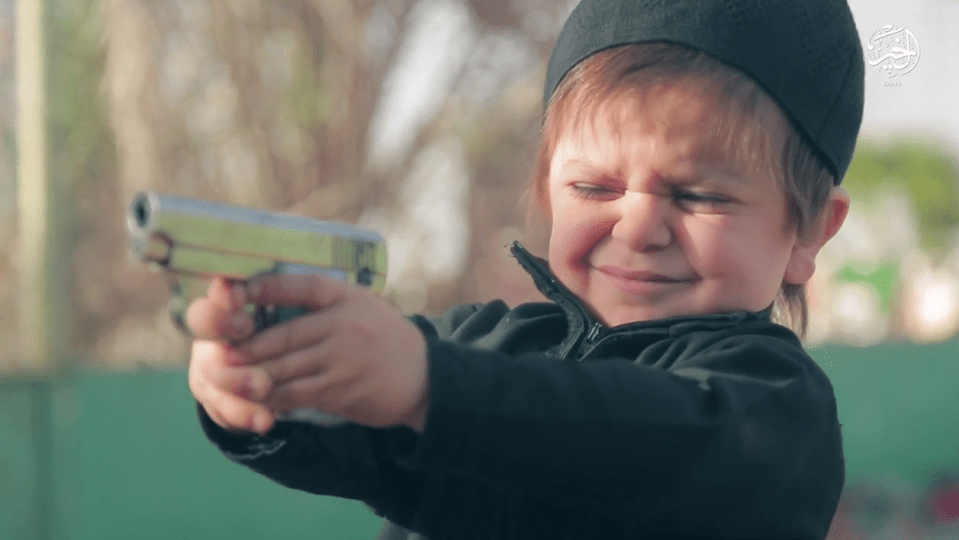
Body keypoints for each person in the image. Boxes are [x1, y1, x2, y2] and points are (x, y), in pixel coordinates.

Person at [184, 0, 864, 538]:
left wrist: (430, 389)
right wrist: (264, 388)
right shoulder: (478, 345)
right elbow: (367, 440)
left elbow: (627, 442)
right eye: (594, 188)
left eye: (699, 196)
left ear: (807, 231)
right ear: (545, 190)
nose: (636, 227)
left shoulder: (774, 408)